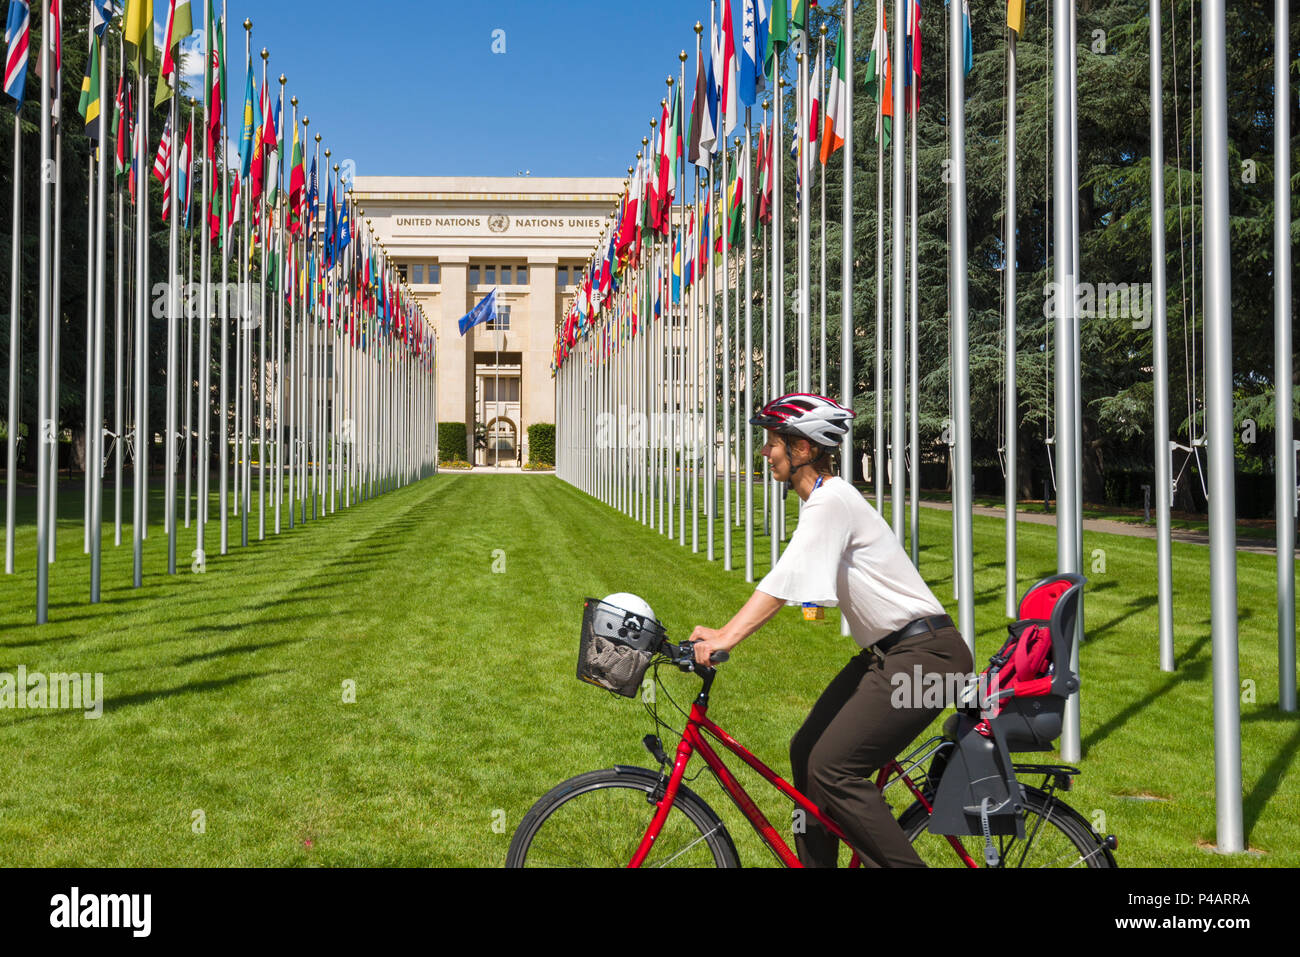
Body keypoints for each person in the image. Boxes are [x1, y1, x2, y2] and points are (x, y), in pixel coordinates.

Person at [689, 392, 973, 867]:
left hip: (927, 658)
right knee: (805, 751)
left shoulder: (832, 501)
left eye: (772, 442)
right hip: (890, 654)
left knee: (834, 769)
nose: (765, 452)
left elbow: (787, 576)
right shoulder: (824, 502)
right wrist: (723, 632)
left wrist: (725, 635)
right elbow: (794, 575)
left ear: (803, 449)